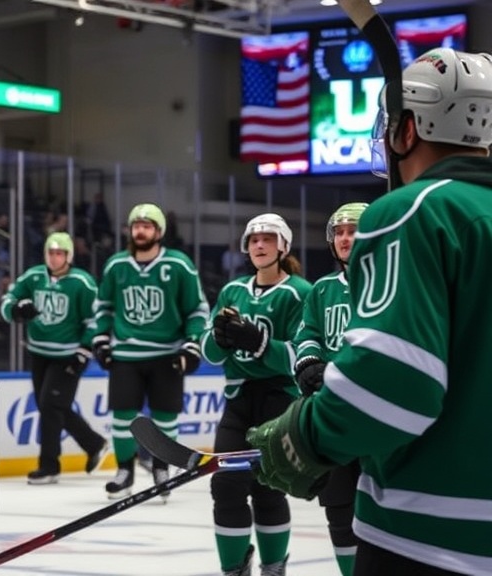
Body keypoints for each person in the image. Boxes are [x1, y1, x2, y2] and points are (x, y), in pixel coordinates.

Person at [248, 48, 492, 575]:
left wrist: (305, 434)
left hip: (431, 533)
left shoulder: (413, 211)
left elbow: (394, 384)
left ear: (409, 129)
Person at [201, 212, 311, 576]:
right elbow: (210, 354)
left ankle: (273, 568)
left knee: (268, 488)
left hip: (279, 401)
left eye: (268, 238)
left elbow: (303, 355)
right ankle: (233, 569)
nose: (260, 245)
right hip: (238, 400)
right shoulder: (232, 291)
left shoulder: (300, 293)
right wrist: (219, 338)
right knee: (225, 486)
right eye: (253, 239)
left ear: (283, 246)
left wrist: (260, 343)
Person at [92, 204, 209, 500]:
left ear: (159, 232)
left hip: (167, 354)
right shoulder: (116, 265)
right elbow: (103, 306)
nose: (140, 230)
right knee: (123, 417)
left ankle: (161, 468)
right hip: (126, 355)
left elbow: (197, 309)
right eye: (136, 225)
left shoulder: (179, 265)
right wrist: (101, 339)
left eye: (147, 226)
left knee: (165, 417)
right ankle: (124, 472)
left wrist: (193, 342)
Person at [290, 202, 368, 576]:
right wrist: (309, 363)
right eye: (339, 232)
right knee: (338, 509)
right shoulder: (322, 289)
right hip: (332, 415)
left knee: (379, 511)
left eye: (353, 230)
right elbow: (308, 333)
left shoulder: (392, 283)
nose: (345, 238)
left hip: (375, 416)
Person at [0, 232, 108, 485]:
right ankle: (94, 443)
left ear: (69, 256)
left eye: (59, 253)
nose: (54, 258)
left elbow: (95, 320)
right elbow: (7, 300)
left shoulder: (82, 283)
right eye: (51, 252)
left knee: (50, 405)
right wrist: (16, 310)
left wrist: (84, 350)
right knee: (50, 406)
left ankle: (49, 466)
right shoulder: (34, 276)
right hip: (39, 353)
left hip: (68, 356)